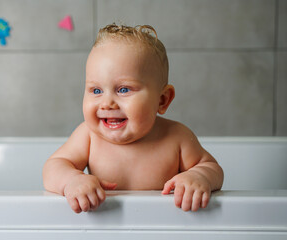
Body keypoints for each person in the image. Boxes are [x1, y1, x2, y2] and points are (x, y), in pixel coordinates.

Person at [43, 24, 224, 213]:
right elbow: (53, 167)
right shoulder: (88, 136)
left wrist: (199, 176)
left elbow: (212, 168)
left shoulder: (176, 137)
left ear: (162, 100)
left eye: (123, 90)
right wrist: (72, 180)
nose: (106, 103)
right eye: (96, 90)